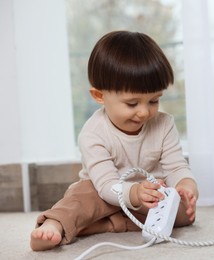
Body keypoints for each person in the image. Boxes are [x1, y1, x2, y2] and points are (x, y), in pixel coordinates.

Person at [30, 31, 198, 251]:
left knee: (184, 213)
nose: (144, 112)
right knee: (80, 199)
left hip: (148, 198)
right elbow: (107, 185)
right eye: (132, 103)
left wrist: (185, 184)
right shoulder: (93, 133)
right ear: (100, 96)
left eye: (154, 100)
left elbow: (176, 166)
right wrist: (133, 192)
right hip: (103, 193)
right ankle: (55, 223)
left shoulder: (164, 124)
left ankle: (108, 224)